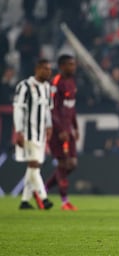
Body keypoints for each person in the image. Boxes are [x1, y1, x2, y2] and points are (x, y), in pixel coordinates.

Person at [13, 58, 54, 210]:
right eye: (45, 69)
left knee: (33, 167)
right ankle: (44, 198)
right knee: (34, 164)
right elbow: (18, 109)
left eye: (49, 69)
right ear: (37, 69)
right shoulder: (24, 86)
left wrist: (49, 126)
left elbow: (48, 110)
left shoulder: (47, 88)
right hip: (27, 132)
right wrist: (18, 131)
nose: (48, 72)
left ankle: (24, 201)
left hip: (40, 134)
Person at [45, 54, 79, 211]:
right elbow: (52, 109)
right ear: (62, 66)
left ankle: (43, 190)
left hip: (68, 130)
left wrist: (75, 127)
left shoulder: (71, 82)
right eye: (70, 65)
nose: (73, 67)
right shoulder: (56, 82)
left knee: (72, 164)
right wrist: (60, 130)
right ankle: (65, 201)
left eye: (74, 64)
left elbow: (71, 109)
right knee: (63, 163)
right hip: (58, 131)